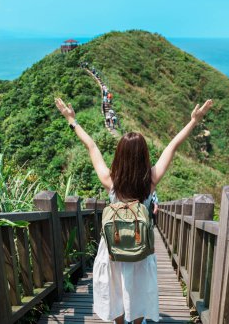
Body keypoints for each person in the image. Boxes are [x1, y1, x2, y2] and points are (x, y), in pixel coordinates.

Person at [55, 97, 213, 324]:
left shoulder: (110, 181)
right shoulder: (150, 181)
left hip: (113, 248)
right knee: (137, 290)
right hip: (140, 249)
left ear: (119, 155)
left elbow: (91, 146)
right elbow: (173, 146)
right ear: (144, 156)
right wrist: (193, 121)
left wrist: (72, 120)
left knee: (116, 289)